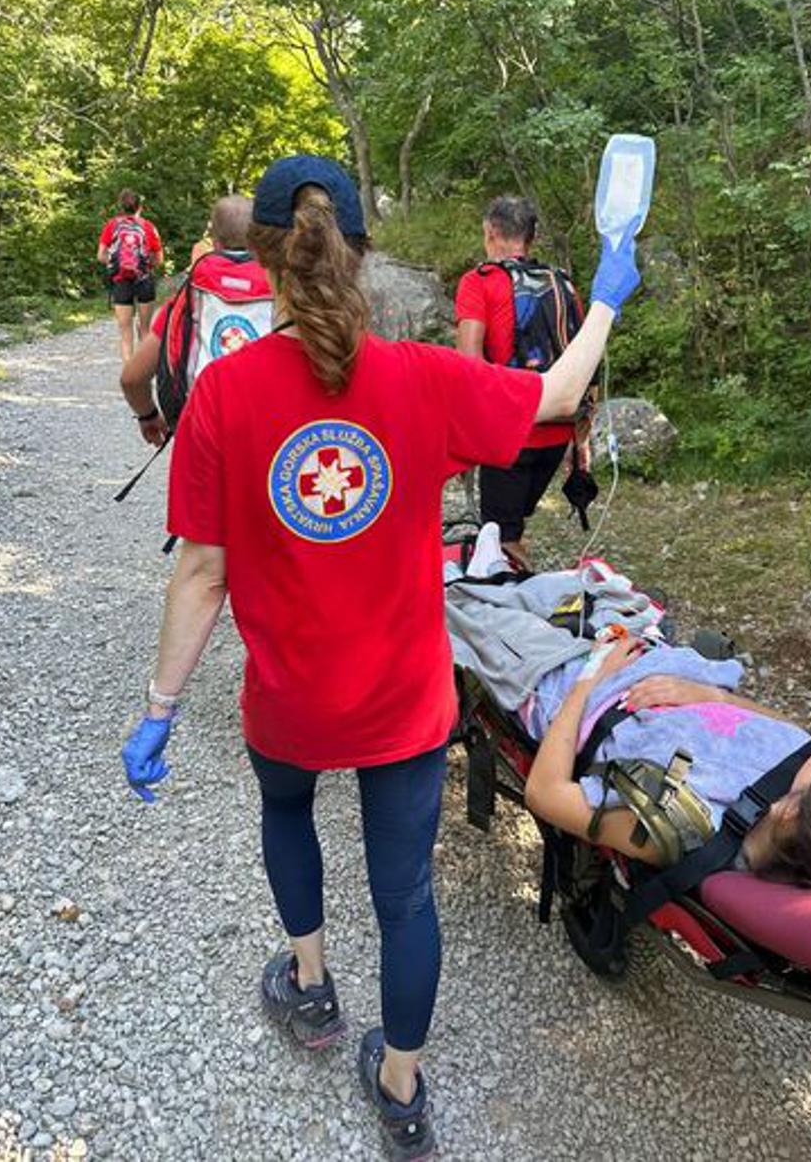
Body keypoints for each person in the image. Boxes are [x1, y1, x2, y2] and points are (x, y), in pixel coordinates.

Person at [120, 153, 642, 1160]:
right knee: (404, 893)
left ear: (263, 258)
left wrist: (158, 708)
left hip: (291, 699)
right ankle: (401, 1082)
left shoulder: (224, 395)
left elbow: (199, 573)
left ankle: (310, 984)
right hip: (403, 700)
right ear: (359, 252)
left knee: (284, 810)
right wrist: (607, 296)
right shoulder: (421, 376)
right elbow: (553, 393)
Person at [524, 633, 811, 889]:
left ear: (789, 813)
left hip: (577, 692)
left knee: (497, 609)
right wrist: (713, 696)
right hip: (657, 671)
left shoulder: (685, 825)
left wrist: (591, 675)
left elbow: (545, 793)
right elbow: (791, 734)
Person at [455, 196, 584, 568]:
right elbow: (581, 361)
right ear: (532, 237)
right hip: (558, 432)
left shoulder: (479, 283)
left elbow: (468, 364)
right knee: (512, 524)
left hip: (510, 434)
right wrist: (581, 441)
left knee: (501, 541)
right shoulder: (564, 284)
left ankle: (518, 611)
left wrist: (469, 434)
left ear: (491, 232)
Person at [120, 195, 269, 447]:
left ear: (214, 242)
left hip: (201, 428)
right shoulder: (287, 295)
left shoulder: (188, 298)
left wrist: (148, 415)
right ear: (260, 239)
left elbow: (131, 379)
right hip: (267, 430)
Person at [98, 189, 164, 364]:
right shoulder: (149, 227)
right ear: (139, 207)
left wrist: (115, 264)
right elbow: (159, 260)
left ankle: (129, 377)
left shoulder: (112, 225)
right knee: (144, 330)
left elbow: (101, 256)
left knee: (126, 333)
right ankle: (143, 376)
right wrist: (144, 264)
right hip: (144, 281)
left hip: (121, 282)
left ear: (121, 206)